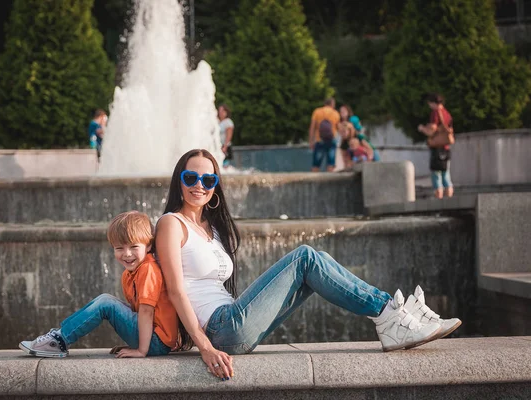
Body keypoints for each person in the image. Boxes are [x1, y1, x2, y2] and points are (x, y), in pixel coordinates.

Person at [155, 149, 461, 380]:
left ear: (215, 185)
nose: (199, 185)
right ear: (179, 181)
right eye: (190, 177)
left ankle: (395, 317)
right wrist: (205, 347)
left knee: (311, 273)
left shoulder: (214, 228)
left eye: (208, 179)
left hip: (234, 327)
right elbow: (176, 291)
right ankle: (389, 314)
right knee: (305, 257)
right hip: (220, 328)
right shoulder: (171, 223)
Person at [19, 211, 178, 358]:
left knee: (106, 303)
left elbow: (146, 312)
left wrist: (141, 350)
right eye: (119, 248)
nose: (127, 254)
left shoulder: (148, 269)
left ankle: (59, 340)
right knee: (107, 300)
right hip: (152, 339)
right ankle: (58, 335)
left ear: (149, 245)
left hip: (156, 343)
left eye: (134, 246)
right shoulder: (130, 274)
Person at [418, 93, 454, 199]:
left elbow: (432, 130)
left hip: (436, 147)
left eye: (430, 103)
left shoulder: (435, 113)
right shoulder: (447, 114)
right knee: (446, 174)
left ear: (433, 103)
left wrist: (422, 129)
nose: (429, 106)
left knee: (436, 174)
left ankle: (439, 198)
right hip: (446, 147)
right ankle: (449, 199)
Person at [309, 98, 340, 172]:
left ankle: (313, 182)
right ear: (332, 104)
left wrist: (311, 141)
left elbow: (312, 127)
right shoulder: (335, 113)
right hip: (332, 140)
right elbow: (338, 128)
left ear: (324, 103)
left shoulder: (317, 111)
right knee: (330, 164)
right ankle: (330, 182)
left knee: (315, 165)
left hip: (320, 140)